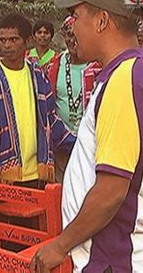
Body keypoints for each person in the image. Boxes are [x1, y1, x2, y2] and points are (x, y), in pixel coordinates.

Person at [31, 0, 143, 273]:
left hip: (116, 260)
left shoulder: (125, 81)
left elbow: (111, 190)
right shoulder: (131, 73)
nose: (71, 27)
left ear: (102, 20)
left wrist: (60, 245)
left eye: (76, 16)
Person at [0, 13, 75, 189]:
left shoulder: (37, 73)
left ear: (27, 41)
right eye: (3, 40)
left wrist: (78, 144)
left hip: (39, 170)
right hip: (6, 173)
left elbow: (50, 119)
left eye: (14, 39)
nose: (7, 45)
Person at [44, 16, 100, 182]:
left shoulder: (100, 66)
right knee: (60, 191)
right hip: (60, 143)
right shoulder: (54, 65)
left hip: (91, 144)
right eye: (69, 36)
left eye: (77, 36)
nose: (73, 41)